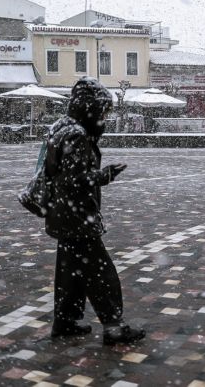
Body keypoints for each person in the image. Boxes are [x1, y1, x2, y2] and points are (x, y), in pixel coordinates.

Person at [44, 76, 145, 345]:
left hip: (62, 212)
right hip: (76, 215)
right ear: (89, 109)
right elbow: (71, 180)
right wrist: (103, 176)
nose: (104, 116)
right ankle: (114, 326)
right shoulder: (76, 135)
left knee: (70, 272)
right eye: (101, 109)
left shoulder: (61, 128)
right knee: (102, 273)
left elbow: (57, 174)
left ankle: (65, 320)